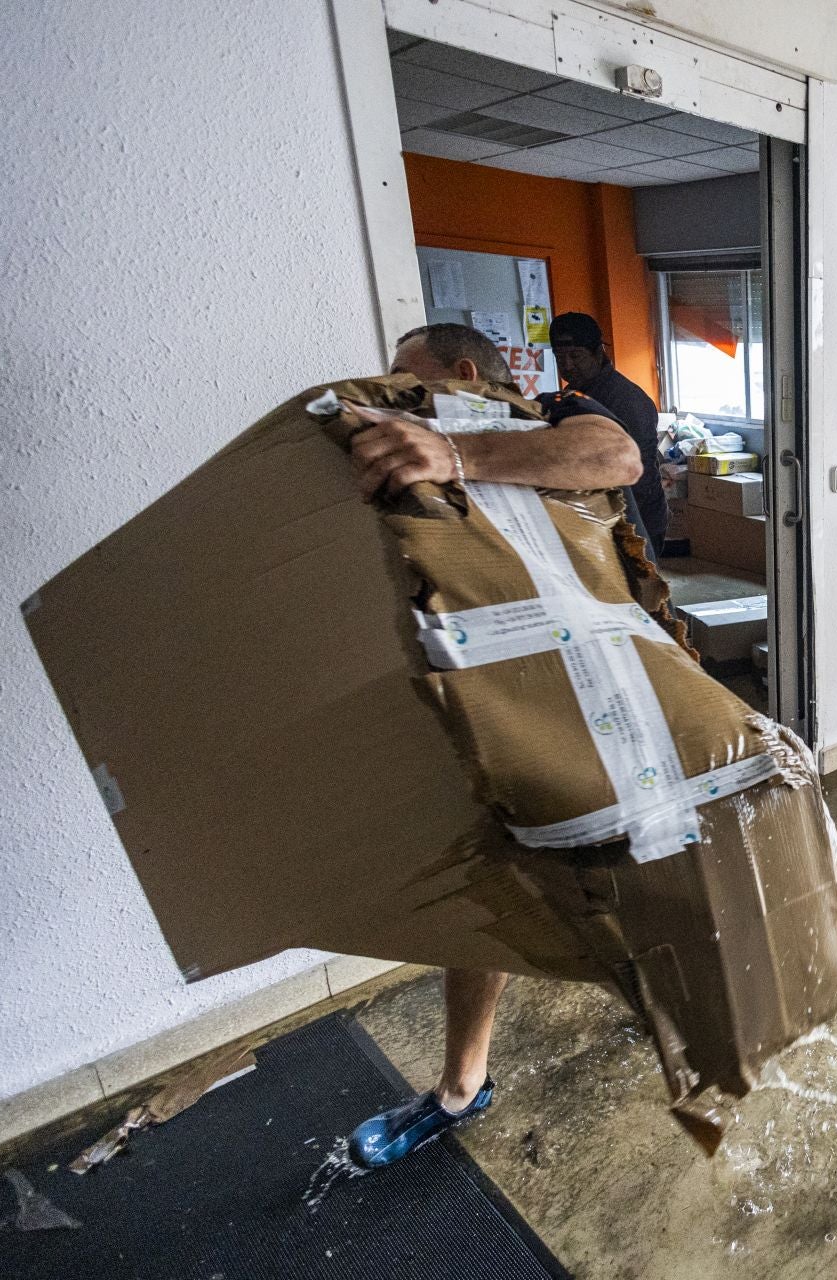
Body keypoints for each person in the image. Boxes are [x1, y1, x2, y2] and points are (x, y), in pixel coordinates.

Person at [343, 322, 643, 1168]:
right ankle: (461, 1086)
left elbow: (616, 456)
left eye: (411, 377)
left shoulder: (547, 417)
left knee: (635, 865)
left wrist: (450, 451)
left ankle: (673, 1002)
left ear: (464, 375)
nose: (397, 393)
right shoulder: (408, 464)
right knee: (488, 883)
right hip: (488, 698)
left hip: (614, 691)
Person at [542, 312, 669, 555]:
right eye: (560, 357)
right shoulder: (574, 395)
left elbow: (636, 475)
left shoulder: (627, 401)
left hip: (634, 519)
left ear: (598, 353)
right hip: (598, 516)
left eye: (576, 356)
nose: (567, 365)